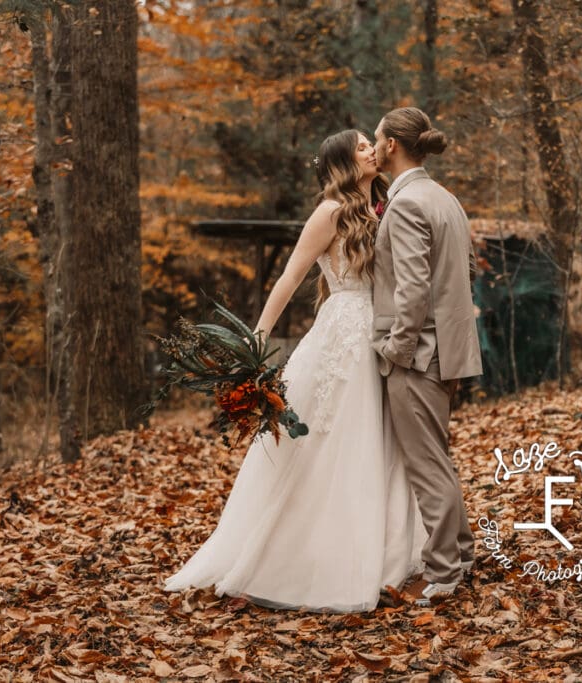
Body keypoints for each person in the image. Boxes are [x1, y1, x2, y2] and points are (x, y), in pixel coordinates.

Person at [163, 129, 427, 612]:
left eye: (374, 143)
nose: (373, 149)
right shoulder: (329, 212)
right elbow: (290, 276)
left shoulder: (384, 207)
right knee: (329, 442)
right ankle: (305, 561)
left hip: (381, 335)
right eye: (364, 147)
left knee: (380, 442)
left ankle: (383, 554)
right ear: (345, 162)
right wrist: (255, 342)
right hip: (344, 336)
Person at [371, 107, 483, 607]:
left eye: (375, 138)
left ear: (392, 144)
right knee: (437, 456)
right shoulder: (444, 198)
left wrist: (396, 351)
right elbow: (469, 270)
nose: (372, 146)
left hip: (419, 356)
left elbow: (413, 290)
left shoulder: (408, 204)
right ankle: (459, 553)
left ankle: (442, 573)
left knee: (425, 464)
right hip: (450, 352)